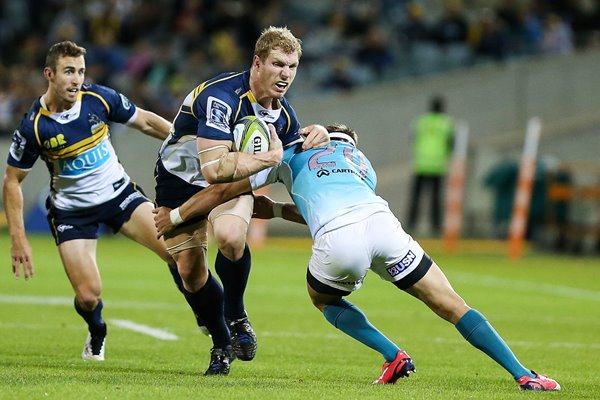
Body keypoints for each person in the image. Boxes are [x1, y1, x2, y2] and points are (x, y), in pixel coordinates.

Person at [153, 123, 560, 391]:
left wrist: (178, 216)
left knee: (324, 299)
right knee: (452, 304)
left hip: (339, 239)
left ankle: (393, 355)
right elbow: (331, 204)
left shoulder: (293, 151)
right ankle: (525, 375)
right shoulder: (362, 164)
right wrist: (278, 208)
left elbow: (228, 190)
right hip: (384, 226)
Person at [2, 41, 224, 375]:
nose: (76, 79)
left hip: (121, 197)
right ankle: (97, 330)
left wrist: (189, 145)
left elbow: (147, 122)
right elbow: (12, 181)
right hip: (73, 213)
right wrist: (18, 237)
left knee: (179, 255)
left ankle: (208, 318)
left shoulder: (98, 98)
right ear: (49, 74)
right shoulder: (35, 125)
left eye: (80, 71)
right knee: (89, 295)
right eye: (68, 72)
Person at [153, 26, 329, 370]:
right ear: (257, 63)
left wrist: (324, 132)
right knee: (189, 272)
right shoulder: (222, 97)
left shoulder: (285, 115)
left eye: (292, 66)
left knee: (232, 238)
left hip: (232, 185)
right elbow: (214, 171)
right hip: (178, 180)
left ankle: (233, 317)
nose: (286, 74)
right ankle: (221, 338)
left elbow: (290, 162)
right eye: (278, 64)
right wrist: (266, 160)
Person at [406, 94, 454, 235]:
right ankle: (436, 227)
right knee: (435, 198)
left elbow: (412, 139)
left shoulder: (421, 121)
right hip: (438, 165)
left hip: (421, 163)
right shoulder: (447, 123)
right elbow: (451, 143)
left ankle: (411, 224)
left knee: (416, 197)